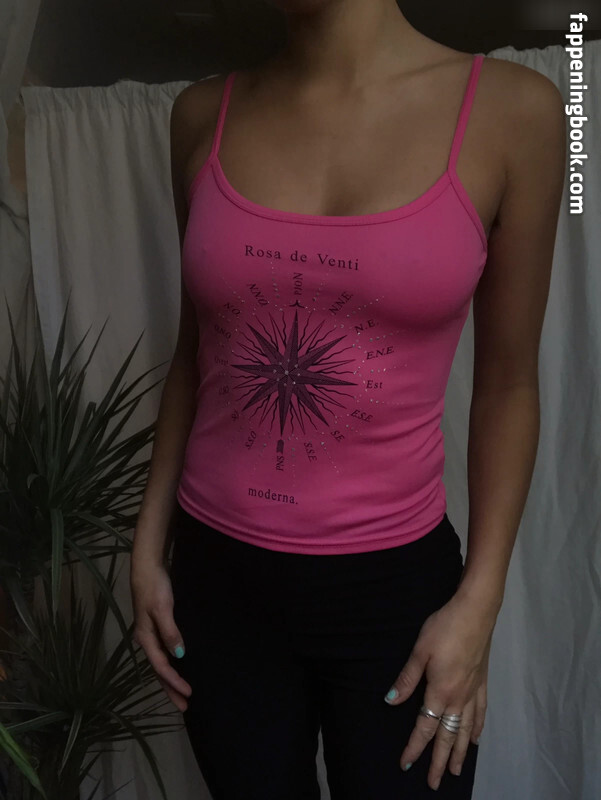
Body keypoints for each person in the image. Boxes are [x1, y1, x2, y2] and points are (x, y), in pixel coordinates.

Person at [129, 1, 566, 797]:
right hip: (217, 586)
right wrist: (147, 544)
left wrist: (480, 603)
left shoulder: (515, 112)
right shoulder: (200, 114)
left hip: (396, 598)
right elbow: (195, 357)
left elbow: (508, 384)